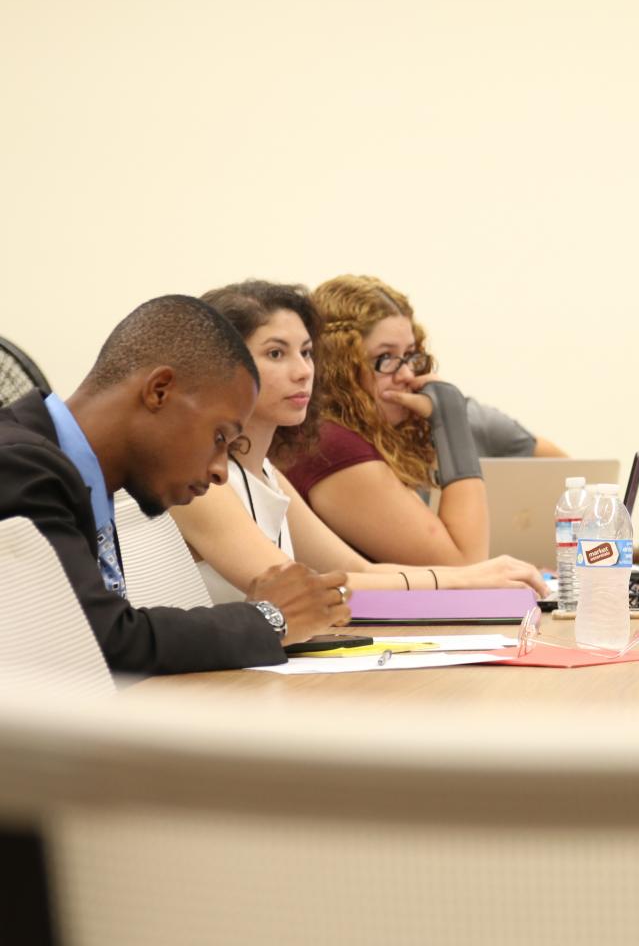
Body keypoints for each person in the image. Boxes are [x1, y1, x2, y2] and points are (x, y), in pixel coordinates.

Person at [0, 295, 350, 675]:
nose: (220, 472)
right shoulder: (18, 465)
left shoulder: (76, 473)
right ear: (160, 391)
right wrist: (268, 617)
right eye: (219, 437)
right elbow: (99, 640)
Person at [170, 281, 545, 602]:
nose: (302, 372)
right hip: (205, 685)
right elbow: (296, 588)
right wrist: (465, 577)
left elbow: (355, 569)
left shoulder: (263, 470)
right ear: (219, 365)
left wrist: (472, 577)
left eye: (306, 353)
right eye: (275, 353)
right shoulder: (199, 478)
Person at [281, 275, 493, 567]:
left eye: (409, 355)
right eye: (385, 358)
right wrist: (451, 419)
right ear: (340, 366)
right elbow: (465, 564)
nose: (406, 375)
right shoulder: (331, 444)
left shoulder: (347, 435)